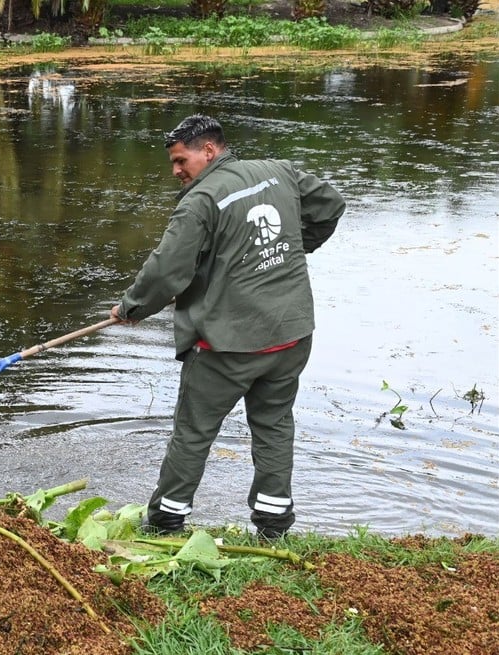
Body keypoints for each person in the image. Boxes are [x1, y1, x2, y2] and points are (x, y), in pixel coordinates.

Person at [110, 115, 345, 540]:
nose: (177, 171)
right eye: (173, 164)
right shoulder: (281, 172)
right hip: (291, 335)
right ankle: (273, 526)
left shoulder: (200, 201)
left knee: (194, 430)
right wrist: (295, 245)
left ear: (209, 151)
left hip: (228, 346)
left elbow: (166, 272)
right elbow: (330, 204)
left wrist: (132, 307)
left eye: (181, 160)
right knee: (274, 425)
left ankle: (166, 519)